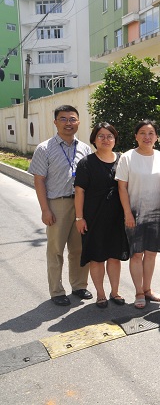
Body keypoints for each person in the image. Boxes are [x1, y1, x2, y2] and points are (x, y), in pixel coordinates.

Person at [28, 105, 93, 306]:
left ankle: (79, 285)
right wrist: (45, 210)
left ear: (78, 122)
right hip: (58, 204)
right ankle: (56, 291)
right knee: (56, 250)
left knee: (79, 248)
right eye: (63, 119)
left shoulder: (85, 148)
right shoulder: (44, 148)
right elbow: (39, 180)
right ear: (55, 122)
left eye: (72, 119)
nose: (68, 123)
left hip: (81, 205)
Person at [74, 123, 130, 308]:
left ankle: (115, 292)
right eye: (101, 136)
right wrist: (79, 218)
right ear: (94, 139)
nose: (106, 140)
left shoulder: (122, 159)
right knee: (97, 257)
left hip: (116, 218)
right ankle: (100, 294)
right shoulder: (86, 163)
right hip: (93, 217)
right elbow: (80, 191)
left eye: (110, 136)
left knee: (114, 256)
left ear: (115, 139)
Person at [116, 120, 160, 309]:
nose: (147, 137)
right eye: (143, 133)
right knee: (136, 254)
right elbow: (122, 188)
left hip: (157, 214)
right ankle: (138, 292)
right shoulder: (127, 158)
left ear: (157, 137)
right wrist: (127, 213)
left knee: (151, 253)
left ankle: (147, 289)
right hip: (134, 214)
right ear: (136, 136)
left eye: (151, 133)